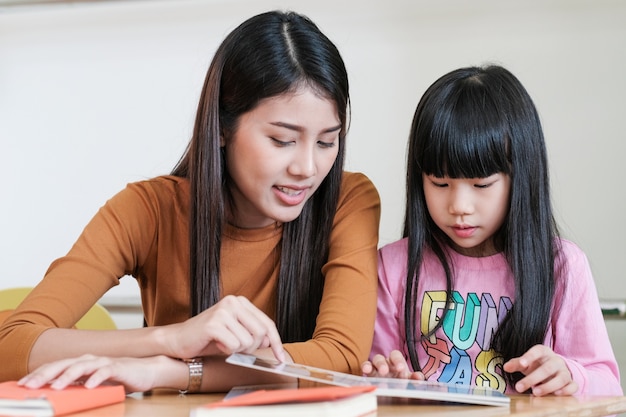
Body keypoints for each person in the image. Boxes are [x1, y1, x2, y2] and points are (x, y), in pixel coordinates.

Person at [0, 10, 381, 394]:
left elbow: (339, 356)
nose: (308, 167)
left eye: (326, 142)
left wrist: (170, 371)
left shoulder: (348, 200)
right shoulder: (147, 210)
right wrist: (172, 339)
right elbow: (9, 345)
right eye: (282, 140)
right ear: (220, 127)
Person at [362, 65, 622, 397]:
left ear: (521, 176)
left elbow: (610, 390)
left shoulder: (562, 266)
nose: (459, 206)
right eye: (439, 183)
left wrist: (572, 376)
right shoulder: (393, 267)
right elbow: (372, 376)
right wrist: (386, 382)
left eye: (481, 184)